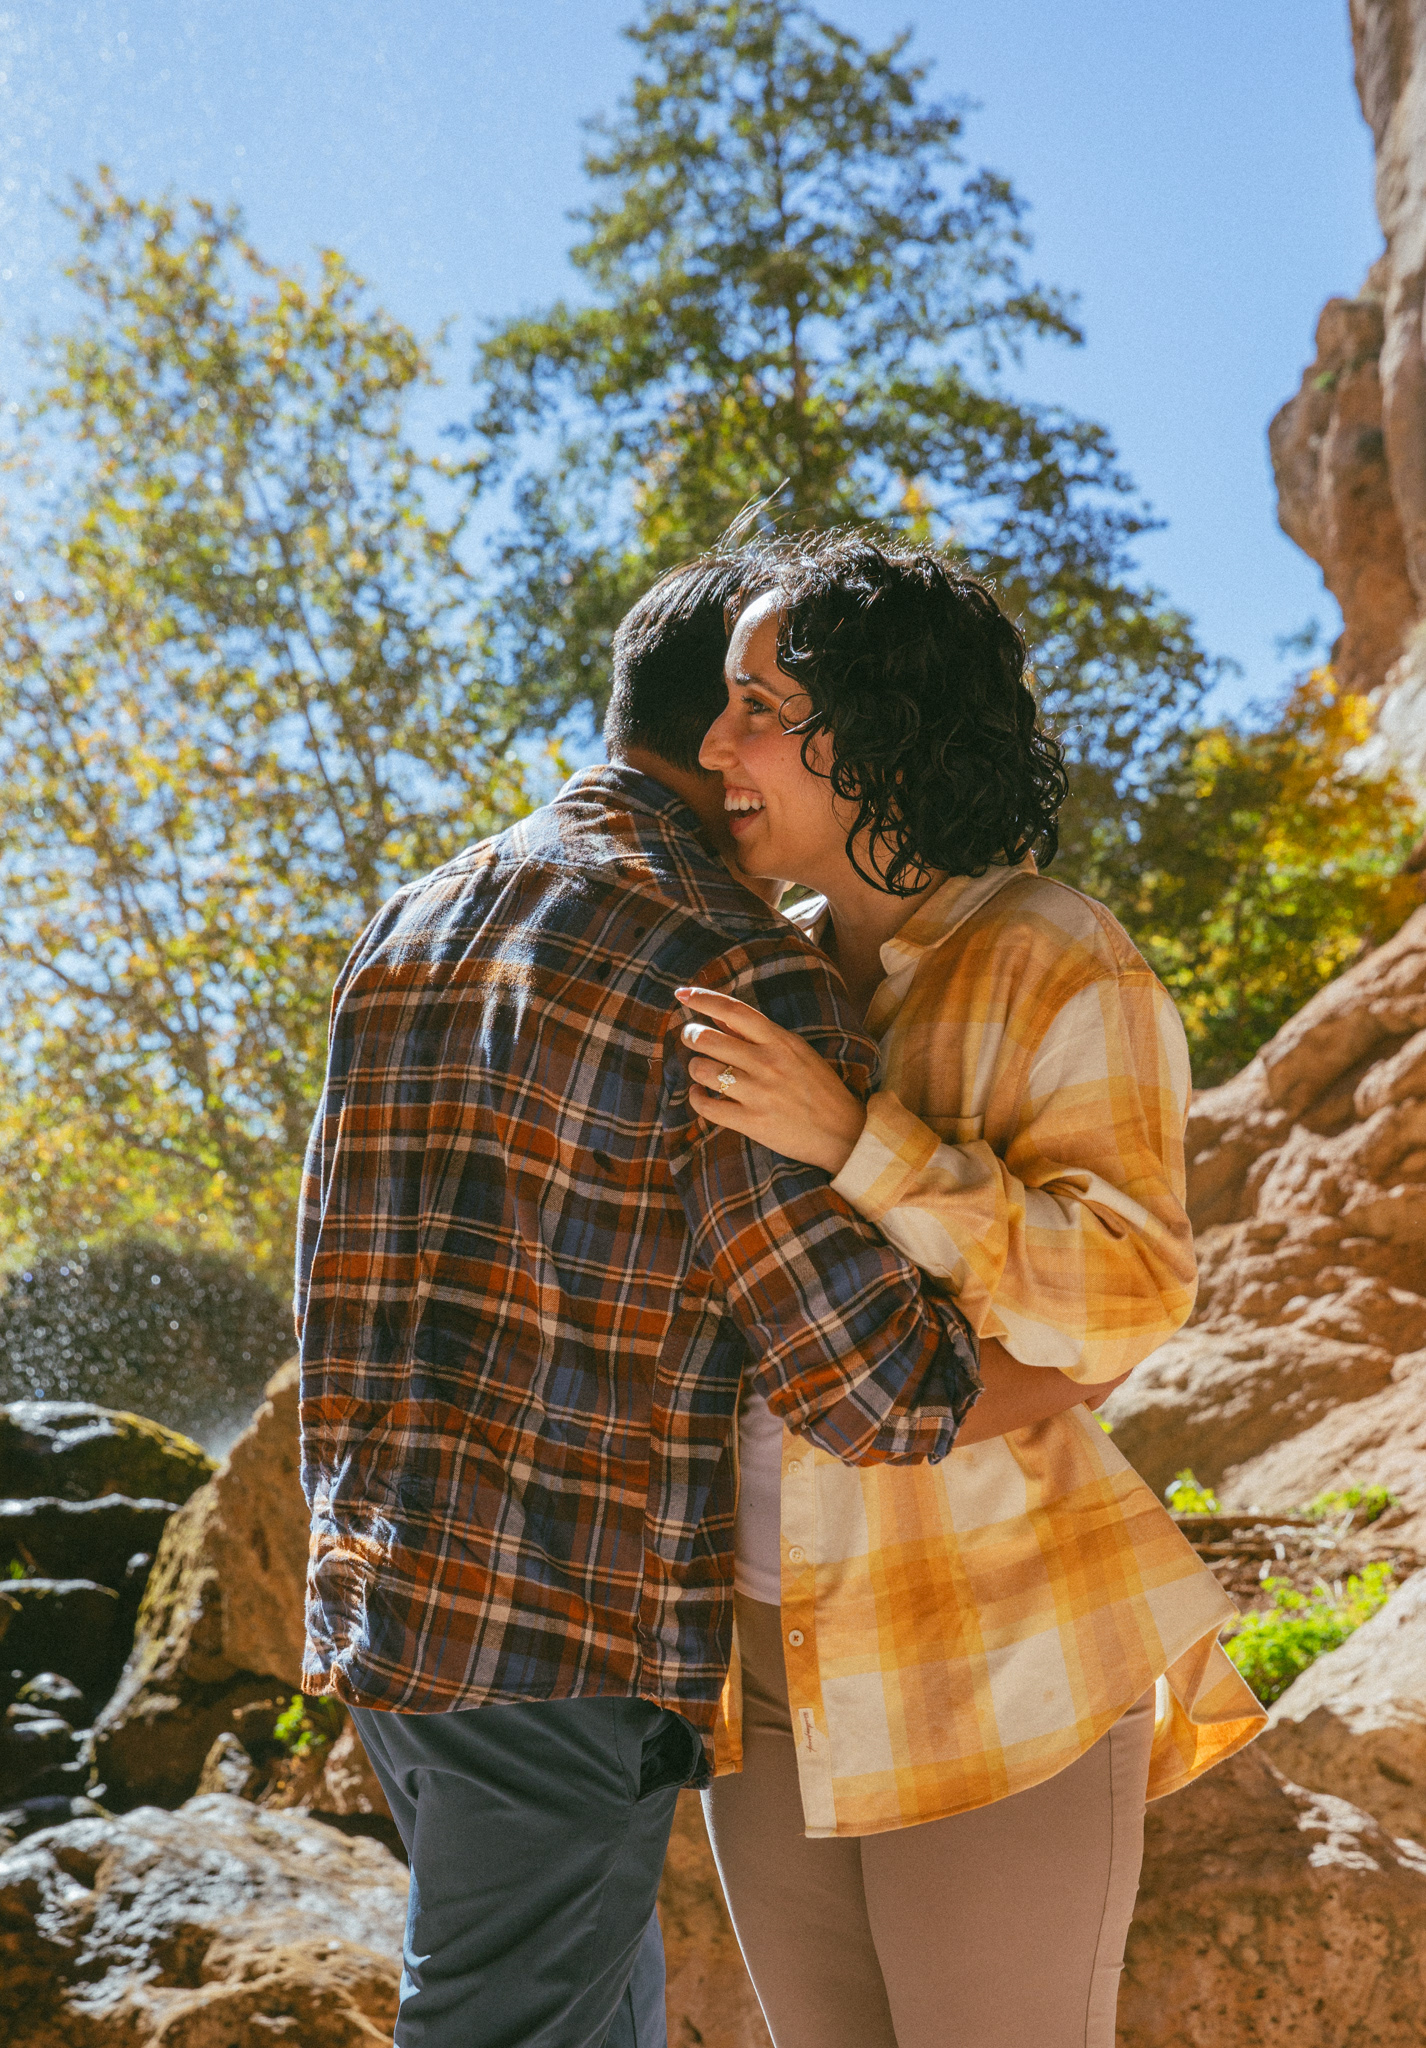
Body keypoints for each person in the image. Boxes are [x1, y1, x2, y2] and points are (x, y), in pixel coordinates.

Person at [293, 549, 981, 2048]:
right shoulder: (725, 963)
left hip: (382, 1598)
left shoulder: (414, 916)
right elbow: (873, 1389)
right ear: (733, 733)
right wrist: (1030, 1338)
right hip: (557, 1643)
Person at [678, 532, 1267, 2048]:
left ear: (878, 730)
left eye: (759, 708)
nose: (717, 746)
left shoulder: (1060, 961)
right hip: (765, 1658)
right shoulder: (755, 971)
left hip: (991, 1656)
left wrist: (857, 1141)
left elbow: (1124, 1299)